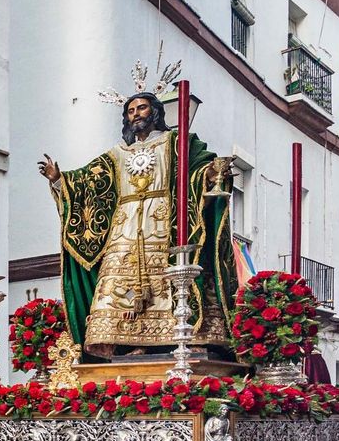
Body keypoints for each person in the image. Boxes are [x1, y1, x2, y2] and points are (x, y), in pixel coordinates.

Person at [38, 90, 235, 357]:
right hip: (126, 226)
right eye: (131, 111)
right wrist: (60, 179)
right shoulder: (117, 154)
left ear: (155, 112)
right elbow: (88, 183)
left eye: (141, 108)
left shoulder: (177, 142)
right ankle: (132, 341)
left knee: (180, 275)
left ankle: (192, 335)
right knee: (120, 282)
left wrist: (211, 173)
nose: (136, 115)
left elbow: (198, 169)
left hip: (167, 223)